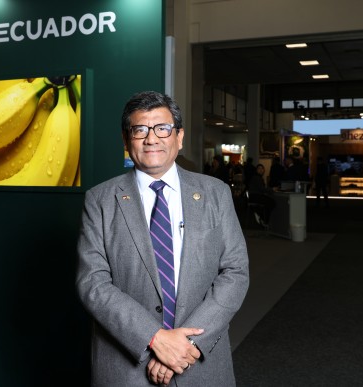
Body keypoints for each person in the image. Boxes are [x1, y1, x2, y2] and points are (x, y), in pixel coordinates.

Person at [75, 90, 250, 386]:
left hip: (201, 362)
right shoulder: (100, 200)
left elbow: (235, 272)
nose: (151, 138)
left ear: (179, 137)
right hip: (126, 367)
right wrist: (154, 338)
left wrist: (185, 345)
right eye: (140, 129)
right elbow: (92, 283)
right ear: (126, 139)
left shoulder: (215, 193)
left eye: (162, 128)